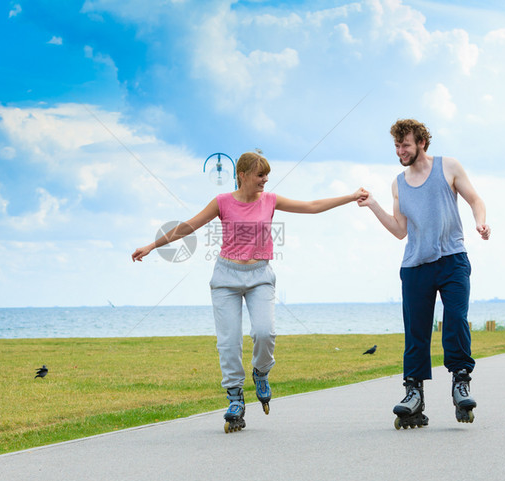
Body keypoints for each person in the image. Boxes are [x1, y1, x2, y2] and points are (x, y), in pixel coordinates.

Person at [133, 151, 368, 433]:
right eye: (260, 175)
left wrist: (351, 196)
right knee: (229, 342)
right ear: (242, 175)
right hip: (225, 278)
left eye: (267, 175)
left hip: (259, 276)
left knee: (264, 333)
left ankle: (261, 372)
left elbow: (313, 205)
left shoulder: (270, 200)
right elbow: (189, 226)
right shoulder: (222, 202)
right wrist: (152, 245)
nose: (265, 180)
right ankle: (234, 397)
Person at [358, 119, 490, 429]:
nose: (400, 150)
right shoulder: (398, 183)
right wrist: (374, 205)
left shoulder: (449, 167)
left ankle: (460, 383)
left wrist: (480, 222)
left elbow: (475, 199)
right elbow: (400, 231)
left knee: (455, 320)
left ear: (421, 144)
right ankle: (413, 394)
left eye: (405, 144)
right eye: (396, 145)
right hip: (415, 266)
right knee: (416, 332)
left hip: (453, 259)